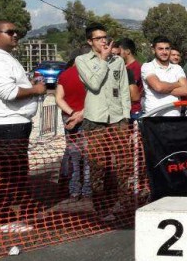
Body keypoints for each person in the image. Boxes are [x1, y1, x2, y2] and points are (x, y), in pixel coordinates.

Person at [0, 21, 46, 232]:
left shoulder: (1, 57)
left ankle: (10, 216)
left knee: (13, 173)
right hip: (6, 124)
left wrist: (30, 87)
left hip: (12, 123)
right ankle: (5, 219)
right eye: (10, 32)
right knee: (7, 176)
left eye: (16, 32)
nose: (15, 35)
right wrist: (36, 90)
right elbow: (8, 93)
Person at [75, 23, 131, 221]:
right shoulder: (82, 60)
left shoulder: (118, 61)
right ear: (90, 41)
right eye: (98, 38)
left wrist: (126, 115)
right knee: (98, 166)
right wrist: (103, 60)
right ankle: (101, 208)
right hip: (95, 119)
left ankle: (123, 203)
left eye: (105, 37)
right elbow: (94, 83)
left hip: (117, 118)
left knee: (124, 163)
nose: (103, 41)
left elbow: (124, 89)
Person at [55, 46, 91, 203]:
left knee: (74, 157)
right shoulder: (91, 75)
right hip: (88, 118)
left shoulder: (64, 75)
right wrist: (80, 114)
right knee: (89, 158)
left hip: (68, 118)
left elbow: (58, 98)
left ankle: (74, 190)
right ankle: (87, 190)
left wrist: (71, 113)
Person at [141, 36, 187, 117]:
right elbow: (159, 87)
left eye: (167, 49)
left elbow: (186, 91)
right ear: (153, 50)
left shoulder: (177, 68)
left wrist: (162, 88)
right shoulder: (147, 66)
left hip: (175, 116)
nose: (164, 52)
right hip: (154, 117)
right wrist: (177, 84)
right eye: (160, 49)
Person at [115, 38, 144, 122]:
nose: (117, 55)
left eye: (119, 52)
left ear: (127, 51)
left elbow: (130, 90)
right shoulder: (123, 66)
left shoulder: (135, 67)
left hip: (133, 110)